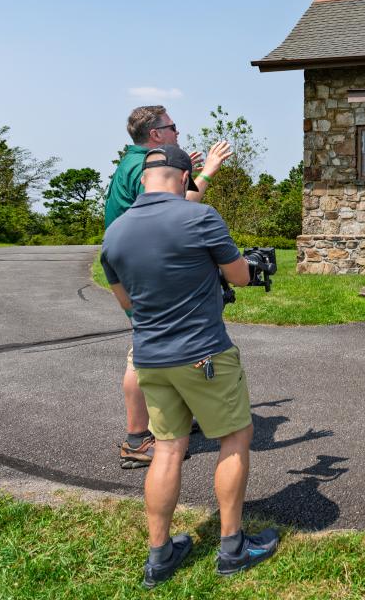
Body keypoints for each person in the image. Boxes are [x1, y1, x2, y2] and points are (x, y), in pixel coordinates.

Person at [101, 144, 277, 587]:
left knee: (166, 447)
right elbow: (239, 275)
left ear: (143, 180)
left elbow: (127, 303)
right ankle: (233, 547)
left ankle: (159, 556)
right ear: (184, 178)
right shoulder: (200, 217)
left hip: (149, 358)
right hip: (203, 353)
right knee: (235, 438)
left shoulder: (116, 233)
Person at [104, 105, 233, 469]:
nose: (178, 131)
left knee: (152, 344)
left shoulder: (137, 163)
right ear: (156, 134)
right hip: (147, 269)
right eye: (172, 127)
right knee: (142, 349)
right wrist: (206, 171)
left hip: (134, 264)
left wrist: (176, 168)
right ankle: (138, 438)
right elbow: (183, 207)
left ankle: (169, 417)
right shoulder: (140, 165)